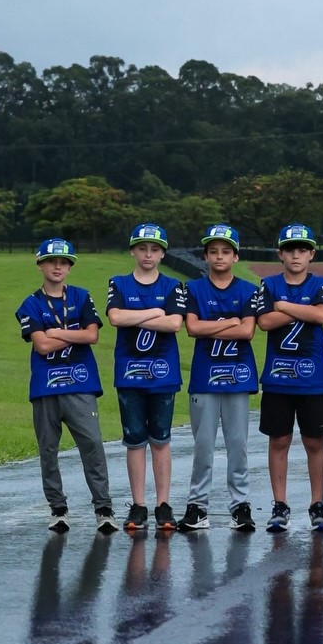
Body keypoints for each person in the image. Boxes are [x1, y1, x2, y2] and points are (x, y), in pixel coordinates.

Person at [17, 239, 117, 532]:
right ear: (40, 265)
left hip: (81, 384)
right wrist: (71, 333)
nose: (58, 266)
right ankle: (58, 508)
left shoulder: (82, 297)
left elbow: (92, 336)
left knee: (93, 445)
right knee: (48, 449)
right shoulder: (30, 304)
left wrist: (56, 331)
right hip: (46, 387)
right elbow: (43, 346)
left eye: (64, 262)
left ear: (70, 267)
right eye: (51, 261)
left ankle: (104, 508)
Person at [253, 224, 323, 532]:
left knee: (314, 440)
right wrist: (304, 309)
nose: (296, 254)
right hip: (277, 378)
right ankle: (280, 504)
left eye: (302, 249)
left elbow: (322, 316)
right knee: (280, 440)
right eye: (290, 249)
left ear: (311, 253)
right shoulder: (269, 283)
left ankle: (317, 504)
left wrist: (285, 306)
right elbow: (264, 322)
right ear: (281, 254)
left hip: (312, 377)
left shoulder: (320, 284)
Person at [178, 224, 259, 532]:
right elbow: (193, 328)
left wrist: (215, 324)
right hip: (204, 376)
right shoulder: (194, 288)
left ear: (235, 256)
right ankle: (198, 506)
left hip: (238, 374)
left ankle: (240, 505)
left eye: (226, 251)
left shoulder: (248, 290)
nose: (219, 256)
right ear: (206, 256)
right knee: (203, 444)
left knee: (237, 443)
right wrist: (230, 322)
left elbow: (248, 331)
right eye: (214, 251)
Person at [107, 223, 186, 531]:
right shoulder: (119, 283)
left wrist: (137, 316)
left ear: (163, 253)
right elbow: (115, 317)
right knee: (135, 440)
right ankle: (138, 504)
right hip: (129, 373)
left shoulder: (173, 286)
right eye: (142, 248)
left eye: (154, 249)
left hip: (163, 373)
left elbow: (175, 324)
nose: (148, 254)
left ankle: (162, 505)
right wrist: (155, 312)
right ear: (133, 251)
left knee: (161, 440)